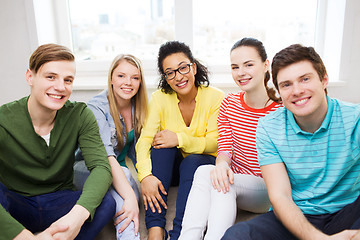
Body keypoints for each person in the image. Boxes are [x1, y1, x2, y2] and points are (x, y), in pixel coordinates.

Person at [222, 44, 360, 240]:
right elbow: (280, 196)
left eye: (305, 79)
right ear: (278, 91)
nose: (297, 91)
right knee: (237, 235)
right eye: (286, 84)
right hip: (296, 215)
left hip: (348, 211)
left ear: (324, 80)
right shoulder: (269, 127)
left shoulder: (355, 118)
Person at [0, 43, 116, 240]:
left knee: (107, 202)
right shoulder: (4, 119)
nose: (61, 87)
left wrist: (76, 217)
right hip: (16, 202)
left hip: (58, 201)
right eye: (51, 77)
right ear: (30, 77)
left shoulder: (80, 115)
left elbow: (101, 168)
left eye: (68, 80)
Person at [179, 38, 281, 240]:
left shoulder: (280, 111)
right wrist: (222, 165)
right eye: (235, 67)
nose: (241, 72)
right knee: (205, 171)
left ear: (265, 65)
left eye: (249, 65)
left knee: (225, 184)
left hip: (265, 188)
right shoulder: (229, 103)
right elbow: (225, 148)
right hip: (235, 179)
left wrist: (225, 174)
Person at [135, 41, 224, 240]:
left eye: (182, 67)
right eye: (170, 72)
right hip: (175, 169)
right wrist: (145, 176)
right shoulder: (159, 98)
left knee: (192, 159)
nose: (178, 77)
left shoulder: (215, 97)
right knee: (160, 146)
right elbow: (144, 141)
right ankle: (155, 230)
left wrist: (179, 139)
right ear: (165, 77)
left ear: (193, 67)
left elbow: (214, 143)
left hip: (203, 166)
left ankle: (179, 233)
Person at [74, 54, 147, 239]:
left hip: (117, 172)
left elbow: (139, 152)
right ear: (111, 79)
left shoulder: (138, 106)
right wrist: (130, 196)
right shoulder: (97, 107)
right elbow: (105, 157)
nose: (128, 82)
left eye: (135, 77)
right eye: (121, 76)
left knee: (124, 193)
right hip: (87, 168)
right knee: (127, 182)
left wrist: (147, 179)